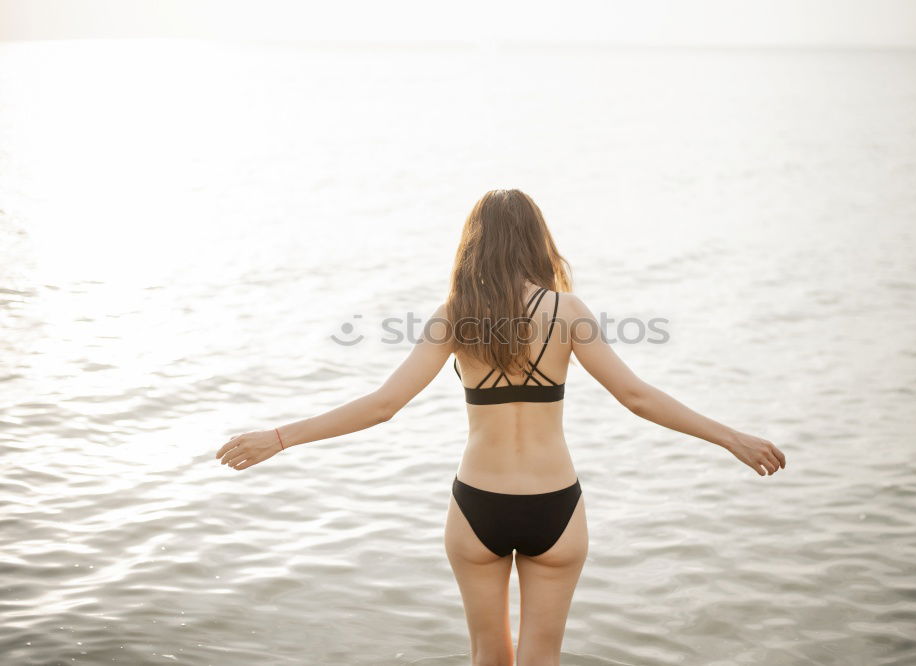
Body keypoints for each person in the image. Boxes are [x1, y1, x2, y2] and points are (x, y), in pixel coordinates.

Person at [215, 188, 786, 666]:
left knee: (490, 656)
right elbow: (637, 397)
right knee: (543, 659)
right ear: (538, 241)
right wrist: (731, 437)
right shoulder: (567, 311)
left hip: (477, 507)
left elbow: (384, 404)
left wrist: (281, 437)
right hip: (555, 506)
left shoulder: (455, 317)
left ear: (475, 244)